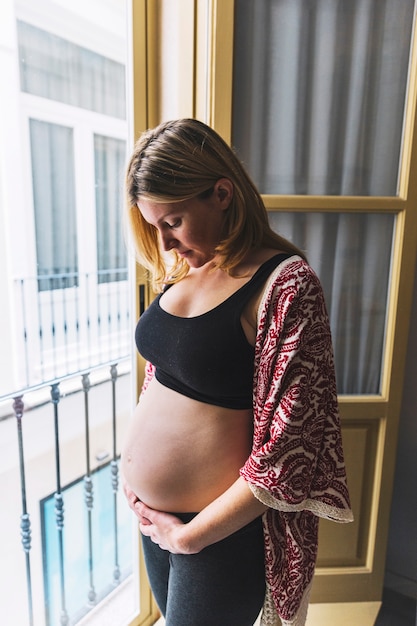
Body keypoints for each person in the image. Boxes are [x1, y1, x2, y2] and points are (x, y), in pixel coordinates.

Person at [121, 118, 353, 626]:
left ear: (222, 193)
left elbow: (290, 447)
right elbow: (162, 377)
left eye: (173, 222)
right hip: (156, 519)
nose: (165, 245)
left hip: (218, 533)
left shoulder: (286, 285)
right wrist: (135, 478)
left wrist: (190, 536)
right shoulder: (187, 271)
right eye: (153, 226)